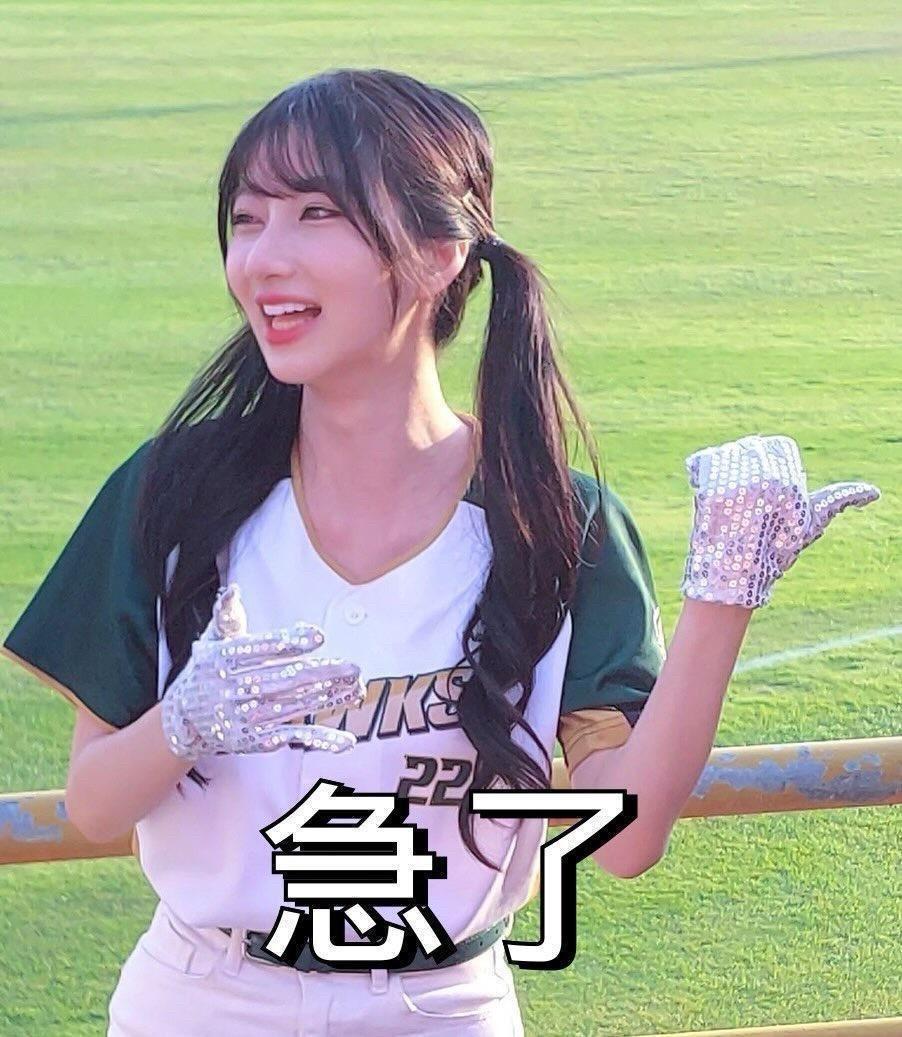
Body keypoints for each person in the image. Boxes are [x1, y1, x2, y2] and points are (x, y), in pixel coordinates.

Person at [0, 67, 880, 1037]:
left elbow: (624, 838)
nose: (262, 258)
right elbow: (93, 805)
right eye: (247, 219)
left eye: (315, 214)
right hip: (205, 998)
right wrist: (186, 721)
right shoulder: (173, 491)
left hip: (441, 1004)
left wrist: (724, 589)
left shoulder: (555, 519)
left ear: (438, 252)